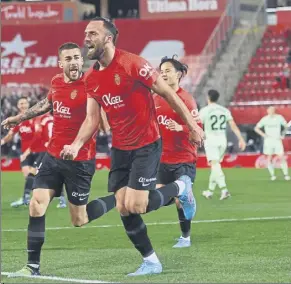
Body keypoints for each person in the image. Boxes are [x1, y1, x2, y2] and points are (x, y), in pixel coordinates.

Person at [60, 17, 204, 276]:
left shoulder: (133, 64)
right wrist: (75, 143)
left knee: (137, 205)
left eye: (93, 33)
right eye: (85, 33)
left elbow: (169, 94)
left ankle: (182, 187)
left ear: (108, 38)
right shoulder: (91, 79)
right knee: (123, 206)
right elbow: (92, 119)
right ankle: (151, 261)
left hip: (147, 144)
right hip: (121, 149)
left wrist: (192, 127)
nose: (87, 38)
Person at [2, 42, 116, 278]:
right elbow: (46, 104)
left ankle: (118, 197)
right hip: (53, 156)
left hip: (80, 160)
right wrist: (19, 118)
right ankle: (32, 266)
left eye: (77, 57)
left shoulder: (91, 84)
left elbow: (93, 121)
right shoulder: (56, 82)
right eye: (69, 58)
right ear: (60, 63)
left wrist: (75, 146)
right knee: (36, 205)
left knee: (79, 219)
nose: (74, 62)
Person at [154, 55, 200, 248]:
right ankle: (183, 192)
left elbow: (198, 134)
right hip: (161, 159)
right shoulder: (155, 98)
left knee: (181, 202)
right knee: (156, 199)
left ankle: (185, 238)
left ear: (179, 74)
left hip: (183, 159)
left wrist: (181, 127)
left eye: (168, 71)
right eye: (161, 71)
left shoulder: (187, 100)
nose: (163, 74)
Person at [200, 90, 246, 200]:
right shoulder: (224, 110)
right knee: (215, 166)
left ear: (208, 98)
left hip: (210, 139)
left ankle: (224, 189)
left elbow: (198, 125)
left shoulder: (204, 110)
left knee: (215, 165)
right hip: (222, 140)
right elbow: (233, 126)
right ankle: (209, 191)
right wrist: (241, 139)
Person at [21, 111, 67, 208]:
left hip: (47, 150)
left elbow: (38, 135)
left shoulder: (43, 119)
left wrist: (28, 151)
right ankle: (62, 200)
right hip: (57, 149)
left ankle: (25, 197)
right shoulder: (59, 119)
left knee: (32, 172)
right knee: (56, 174)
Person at [1, 97, 37, 207]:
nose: (22, 105)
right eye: (20, 103)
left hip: (37, 151)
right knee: (28, 175)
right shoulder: (18, 120)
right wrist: (2, 141)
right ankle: (29, 198)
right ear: (17, 106)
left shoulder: (35, 117)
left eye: (24, 103)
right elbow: (10, 135)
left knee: (35, 175)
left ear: (28, 104)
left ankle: (60, 197)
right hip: (24, 152)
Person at [254, 106, 290, 181]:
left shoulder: (279, 118)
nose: (271, 111)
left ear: (274, 110)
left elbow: (286, 126)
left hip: (277, 140)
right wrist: (263, 135)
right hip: (268, 141)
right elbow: (256, 128)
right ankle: (272, 175)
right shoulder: (265, 119)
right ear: (267, 111)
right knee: (269, 158)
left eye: (272, 109)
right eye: (269, 110)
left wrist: (283, 134)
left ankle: (286, 175)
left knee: (281, 157)